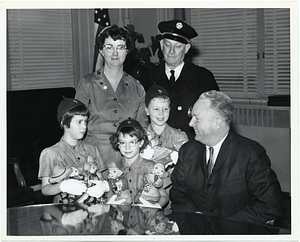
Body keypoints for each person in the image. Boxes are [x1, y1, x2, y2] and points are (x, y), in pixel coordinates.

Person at [170, 90, 282, 224]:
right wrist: (197, 216)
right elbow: (178, 193)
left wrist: (223, 225)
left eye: (197, 118)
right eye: (191, 116)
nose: (190, 123)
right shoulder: (187, 151)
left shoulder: (250, 154)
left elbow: (269, 205)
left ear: (217, 123)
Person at [75, 25, 148, 167]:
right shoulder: (87, 83)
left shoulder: (137, 87)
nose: (115, 53)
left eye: (120, 47)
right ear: (101, 51)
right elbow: (75, 125)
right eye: (109, 47)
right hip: (94, 161)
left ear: (127, 51)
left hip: (128, 161)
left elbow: (142, 128)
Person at [139, 20, 219, 140]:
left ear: (186, 48)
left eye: (177, 46)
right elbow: (141, 116)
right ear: (161, 45)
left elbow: (215, 118)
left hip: (192, 146)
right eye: (168, 45)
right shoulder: (147, 76)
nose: (171, 51)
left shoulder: (203, 77)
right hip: (156, 146)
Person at [38, 98, 108, 203]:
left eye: (85, 122)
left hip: (92, 209)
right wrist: (62, 186)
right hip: (64, 211)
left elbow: (100, 178)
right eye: (79, 122)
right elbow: (45, 189)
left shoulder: (92, 149)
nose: (84, 127)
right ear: (64, 123)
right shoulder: (50, 153)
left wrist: (103, 185)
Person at [109, 118, 169, 208]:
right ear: (118, 144)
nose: (127, 147)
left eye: (132, 142)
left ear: (140, 143)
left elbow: (164, 196)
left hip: (147, 217)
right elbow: (110, 195)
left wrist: (157, 206)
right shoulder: (115, 169)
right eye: (122, 143)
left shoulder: (152, 167)